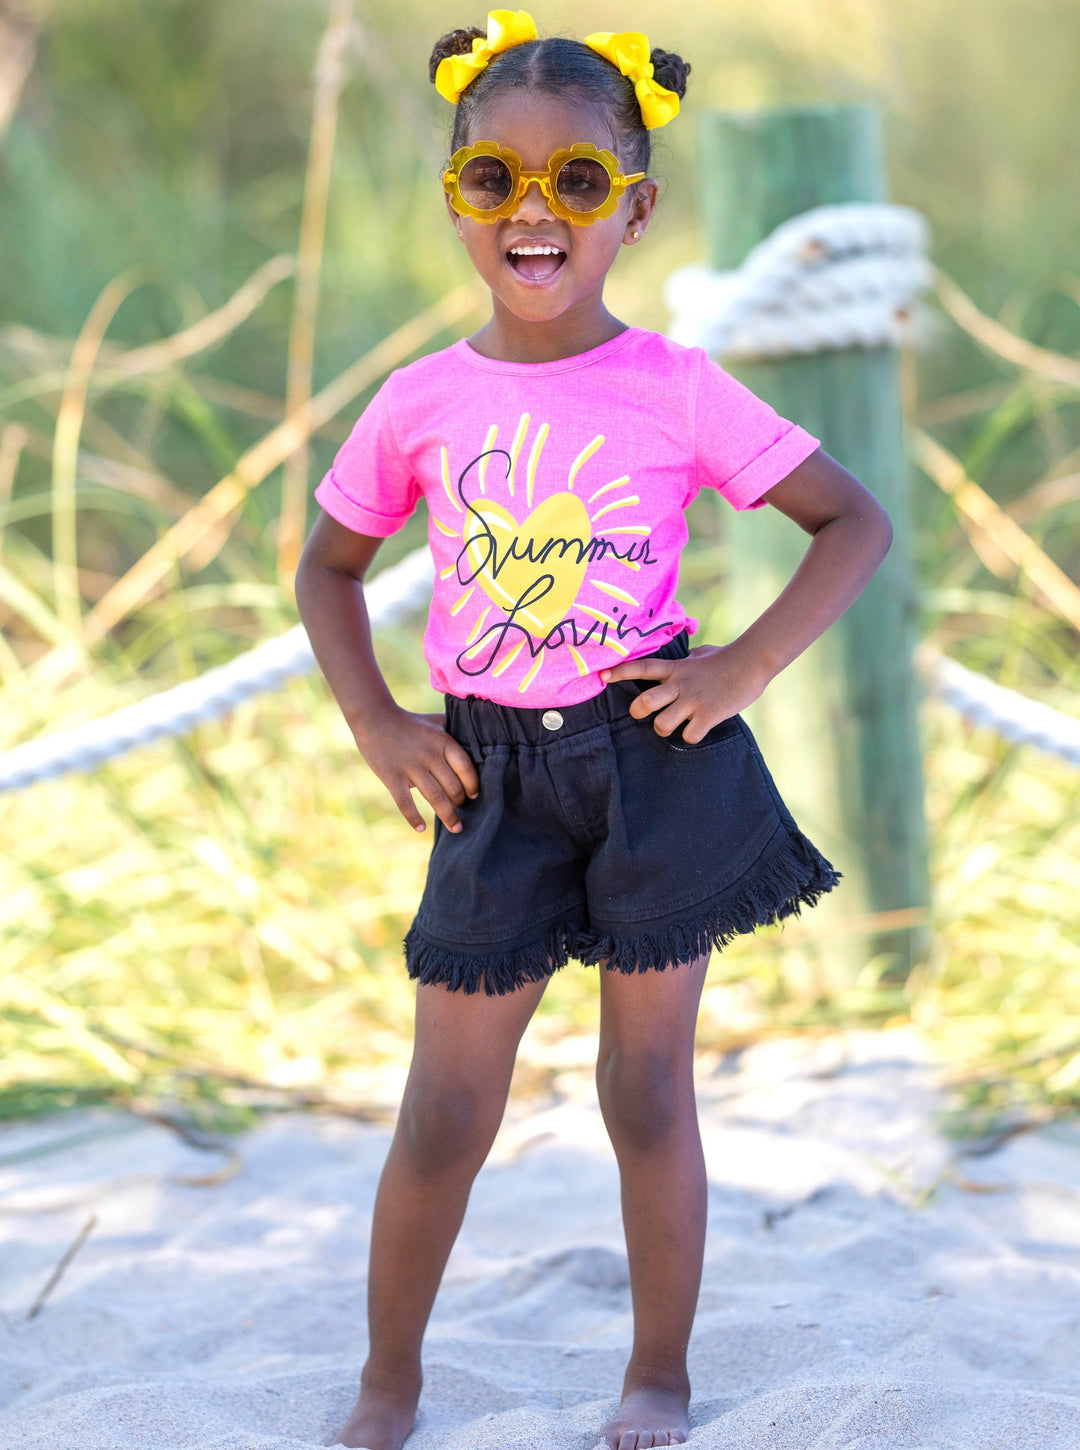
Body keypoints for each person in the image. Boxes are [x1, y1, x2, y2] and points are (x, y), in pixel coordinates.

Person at [295, 11, 892, 1449]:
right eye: (493, 177)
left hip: (648, 766)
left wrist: (743, 665)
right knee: (447, 1105)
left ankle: (658, 1376)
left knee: (646, 1087)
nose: (534, 210)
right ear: (455, 198)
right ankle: (389, 1383)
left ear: (636, 205)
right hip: (487, 778)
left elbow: (852, 522)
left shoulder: (677, 387)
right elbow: (327, 569)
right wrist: (377, 719)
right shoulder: (421, 401)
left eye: (577, 179)